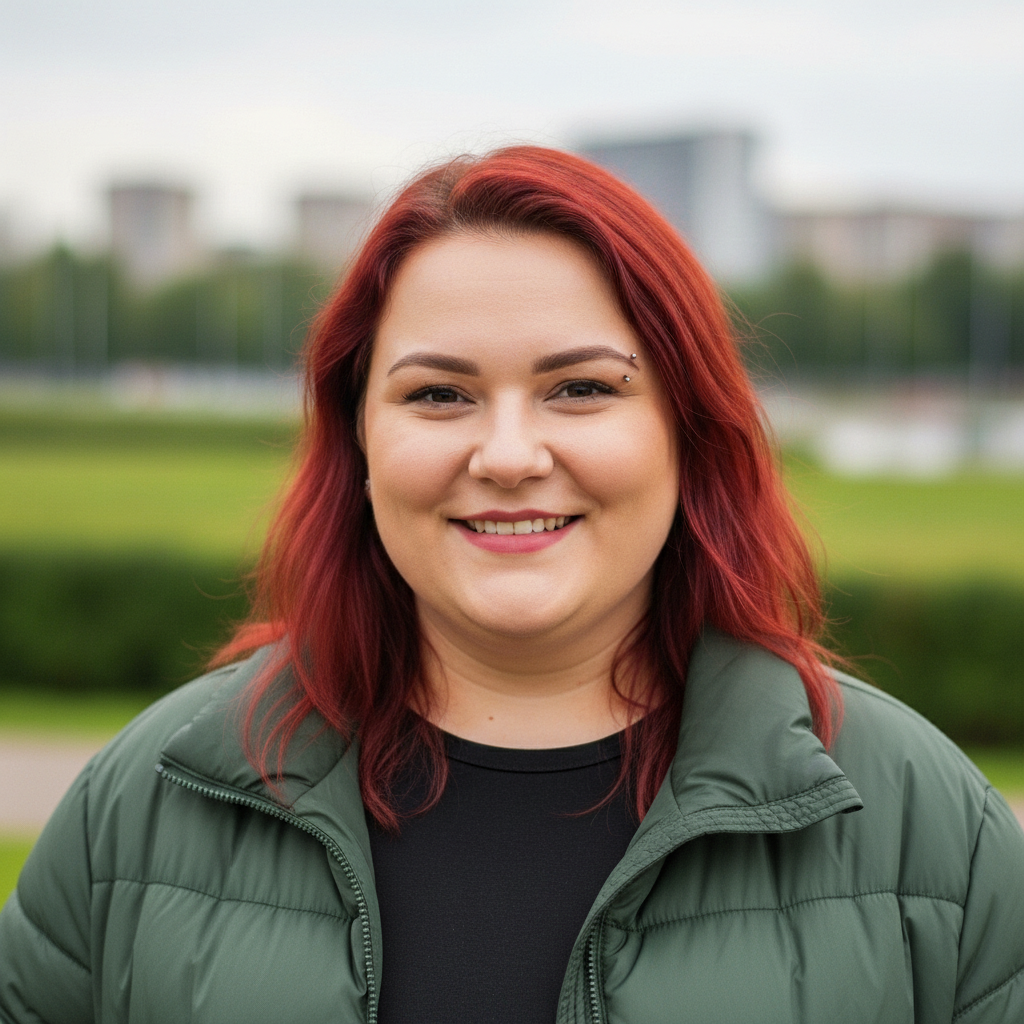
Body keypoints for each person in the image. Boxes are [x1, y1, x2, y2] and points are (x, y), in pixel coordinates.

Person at [2, 146, 1023, 1024]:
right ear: (359, 442)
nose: (506, 455)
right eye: (439, 394)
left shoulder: (930, 833)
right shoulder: (141, 809)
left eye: (580, 388)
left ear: (688, 431)